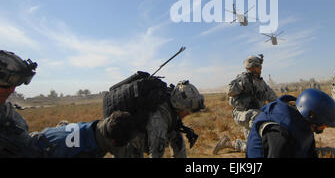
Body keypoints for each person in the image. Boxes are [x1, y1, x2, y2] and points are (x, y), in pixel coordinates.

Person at [0, 50, 135, 157]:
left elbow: (26, 143)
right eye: (8, 83)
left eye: (15, 84)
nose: (12, 90)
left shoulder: (8, 113)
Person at [112, 80, 205, 158]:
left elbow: (179, 148)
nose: (188, 114)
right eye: (187, 111)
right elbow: (155, 154)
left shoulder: (172, 108)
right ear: (180, 106)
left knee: (177, 138)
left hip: (144, 139)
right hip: (129, 145)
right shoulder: (159, 121)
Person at [213, 55, 277, 154]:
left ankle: (228, 143)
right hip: (242, 114)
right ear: (252, 67)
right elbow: (229, 90)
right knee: (259, 121)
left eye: (260, 66)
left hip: (254, 115)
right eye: (258, 66)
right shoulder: (243, 78)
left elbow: (273, 98)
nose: (261, 68)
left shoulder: (261, 82)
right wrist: (242, 84)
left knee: (255, 147)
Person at [246, 89, 335, 158]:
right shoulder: (280, 133)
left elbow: (310, 153)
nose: (324, 127)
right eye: (324, 124)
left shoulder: (304, 122)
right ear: (311, 116)